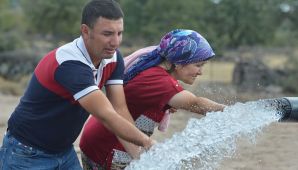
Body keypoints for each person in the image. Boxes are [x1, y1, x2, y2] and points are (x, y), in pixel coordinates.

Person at [0, 0, 155, 169]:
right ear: (85, 31)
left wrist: (141, 158)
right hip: (26, 153)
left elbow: (120, 109)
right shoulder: (69, 63)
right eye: (107, 34)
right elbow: (107, 115)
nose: (116, 42)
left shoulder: (113, 57)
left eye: (119, 33)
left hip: (64, 152)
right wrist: (148, 143)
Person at [79, 29, 226, 169]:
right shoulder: (160, 81)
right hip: (109, 148)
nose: (200, 72)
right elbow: (195, 103)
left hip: (101, 139)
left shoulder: (154, 68)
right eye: (198, 65)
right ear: (179, 62)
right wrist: (232, 112)